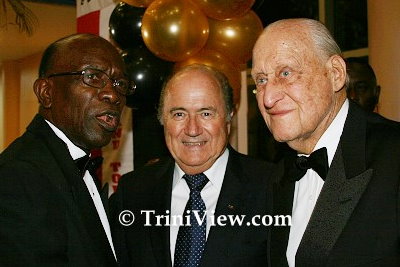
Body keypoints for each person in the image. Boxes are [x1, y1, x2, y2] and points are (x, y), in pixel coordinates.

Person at [252, 18, 400, 267]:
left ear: (336, 74)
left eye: (285, 73)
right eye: (261, 80)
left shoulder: (394, 156)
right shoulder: (276, 176)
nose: (268, 98)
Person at [111, 64, 273, 267]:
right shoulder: (133, 193)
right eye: (179, 114)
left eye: (206, 113)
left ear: (229, 117)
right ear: (162, 120)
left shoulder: (271, 188)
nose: (192, 129)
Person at [0, 33, 135, 266]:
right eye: (92, 77)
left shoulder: (72, 164)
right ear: (46, 92)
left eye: (119, 83)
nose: (113, 95)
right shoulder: (20, 176)